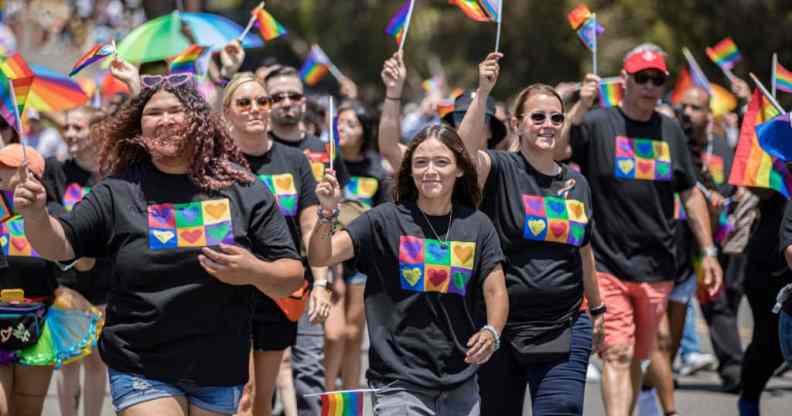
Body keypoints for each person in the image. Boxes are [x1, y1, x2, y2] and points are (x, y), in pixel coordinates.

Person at [12, 72, 305, 416]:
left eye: (174, 111)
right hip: (141, 363)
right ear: (139, 128)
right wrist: (35, 214)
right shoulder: (117, 191)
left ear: (198, 120)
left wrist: (254, 271)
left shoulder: (243, 188)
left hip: (219, 366)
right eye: (153, 113)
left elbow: (291, 275)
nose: (164, 120)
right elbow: (60, 245)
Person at [557, 43, 722, 416]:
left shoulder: (669, 130)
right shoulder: (599, 123)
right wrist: (580, 106)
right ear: (626, 81)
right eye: (642, 78)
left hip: (657, 265)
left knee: (640, 357)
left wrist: (709, 252)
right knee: (617, 350)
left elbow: (690, 193)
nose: (650, 86)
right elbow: (557, 150)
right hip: (606, 261)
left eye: (657, 79)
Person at [308, 124, 508, 416]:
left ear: (460, 169)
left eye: (441, 162)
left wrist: (492, 330)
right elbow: (321, 255)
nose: (430, 171)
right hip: (398, 382)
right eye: (421, 162)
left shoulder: (478, 225)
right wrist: (327, 213)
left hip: (461, 382)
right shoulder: (384, 220)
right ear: (410, 170)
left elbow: (496, 289)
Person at [454, 52, 604, 415]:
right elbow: (462, 153)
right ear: (518, 124)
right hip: (499, 328)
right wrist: (482, 92)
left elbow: (583, 251)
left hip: (564, 326)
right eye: (538, 117)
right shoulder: (501, 169)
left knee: (562, 408)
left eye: (556, 117)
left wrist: (597, 309)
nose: (548, 124)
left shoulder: (577, 182)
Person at [221, 73, 332, 416]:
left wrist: (323, 282)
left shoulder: (296, 161)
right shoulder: (216, 164)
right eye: (244, 102)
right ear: (227, 113)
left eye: (262, 101)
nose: (255, 109)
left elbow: (310, 224)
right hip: (228, 289)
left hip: (279, 288)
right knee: (241, 393)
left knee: (261, 402)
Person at [262, 64, 350, 415]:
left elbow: (338, 213)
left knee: (308, 371)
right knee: (259, 376)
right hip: (258, 276)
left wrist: (330, 277)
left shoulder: (323, 151)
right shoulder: (251, 151)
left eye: (293, 95)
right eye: (276, 96)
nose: (286, 102)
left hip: (309, 275)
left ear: (304, 100)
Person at [42, 105, 111, 416]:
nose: (69, 134)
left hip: (106, 282)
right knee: (68, 360)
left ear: (95, 131)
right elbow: (51, 217)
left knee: (96, 361)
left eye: (78, 128)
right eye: (66, 128)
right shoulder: (56, 170)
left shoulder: (111, 172)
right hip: (67, 282)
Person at [324, 100, 390, 391]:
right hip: (332, 255)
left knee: (353, 334)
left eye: (351, 124)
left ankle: (349, 402)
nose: (343, 129)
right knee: (334, 334)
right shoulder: (328, 163)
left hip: (364, 261)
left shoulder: (377, 168)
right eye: (340, 123)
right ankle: (323, 400)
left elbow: (386, 214)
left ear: (365, 130)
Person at [0, 144, 58, 416]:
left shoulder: (50, 213)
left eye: (6, 165)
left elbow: (83, 263)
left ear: (30, 173)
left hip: (36, 325)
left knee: (28, 411)